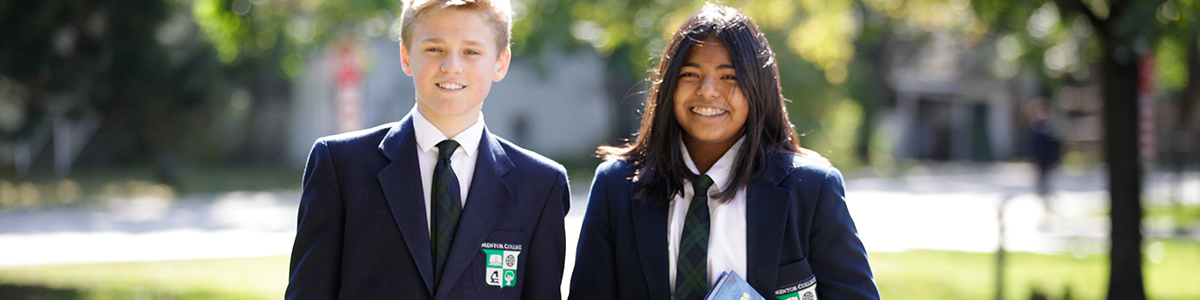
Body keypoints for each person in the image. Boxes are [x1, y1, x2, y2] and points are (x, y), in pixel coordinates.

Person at [568, 4, 879, 300]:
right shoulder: (616, 186)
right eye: (690, 74)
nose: (707, 90)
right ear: (668, 86)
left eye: (728, 76)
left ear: (758, 87)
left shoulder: (811, 189)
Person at [285, 0, 570, 299]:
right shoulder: (342, 166)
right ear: (406, 57)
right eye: (434, 49)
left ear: (501, 62)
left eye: (471, 52)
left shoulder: (541, 185)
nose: (451, 66)